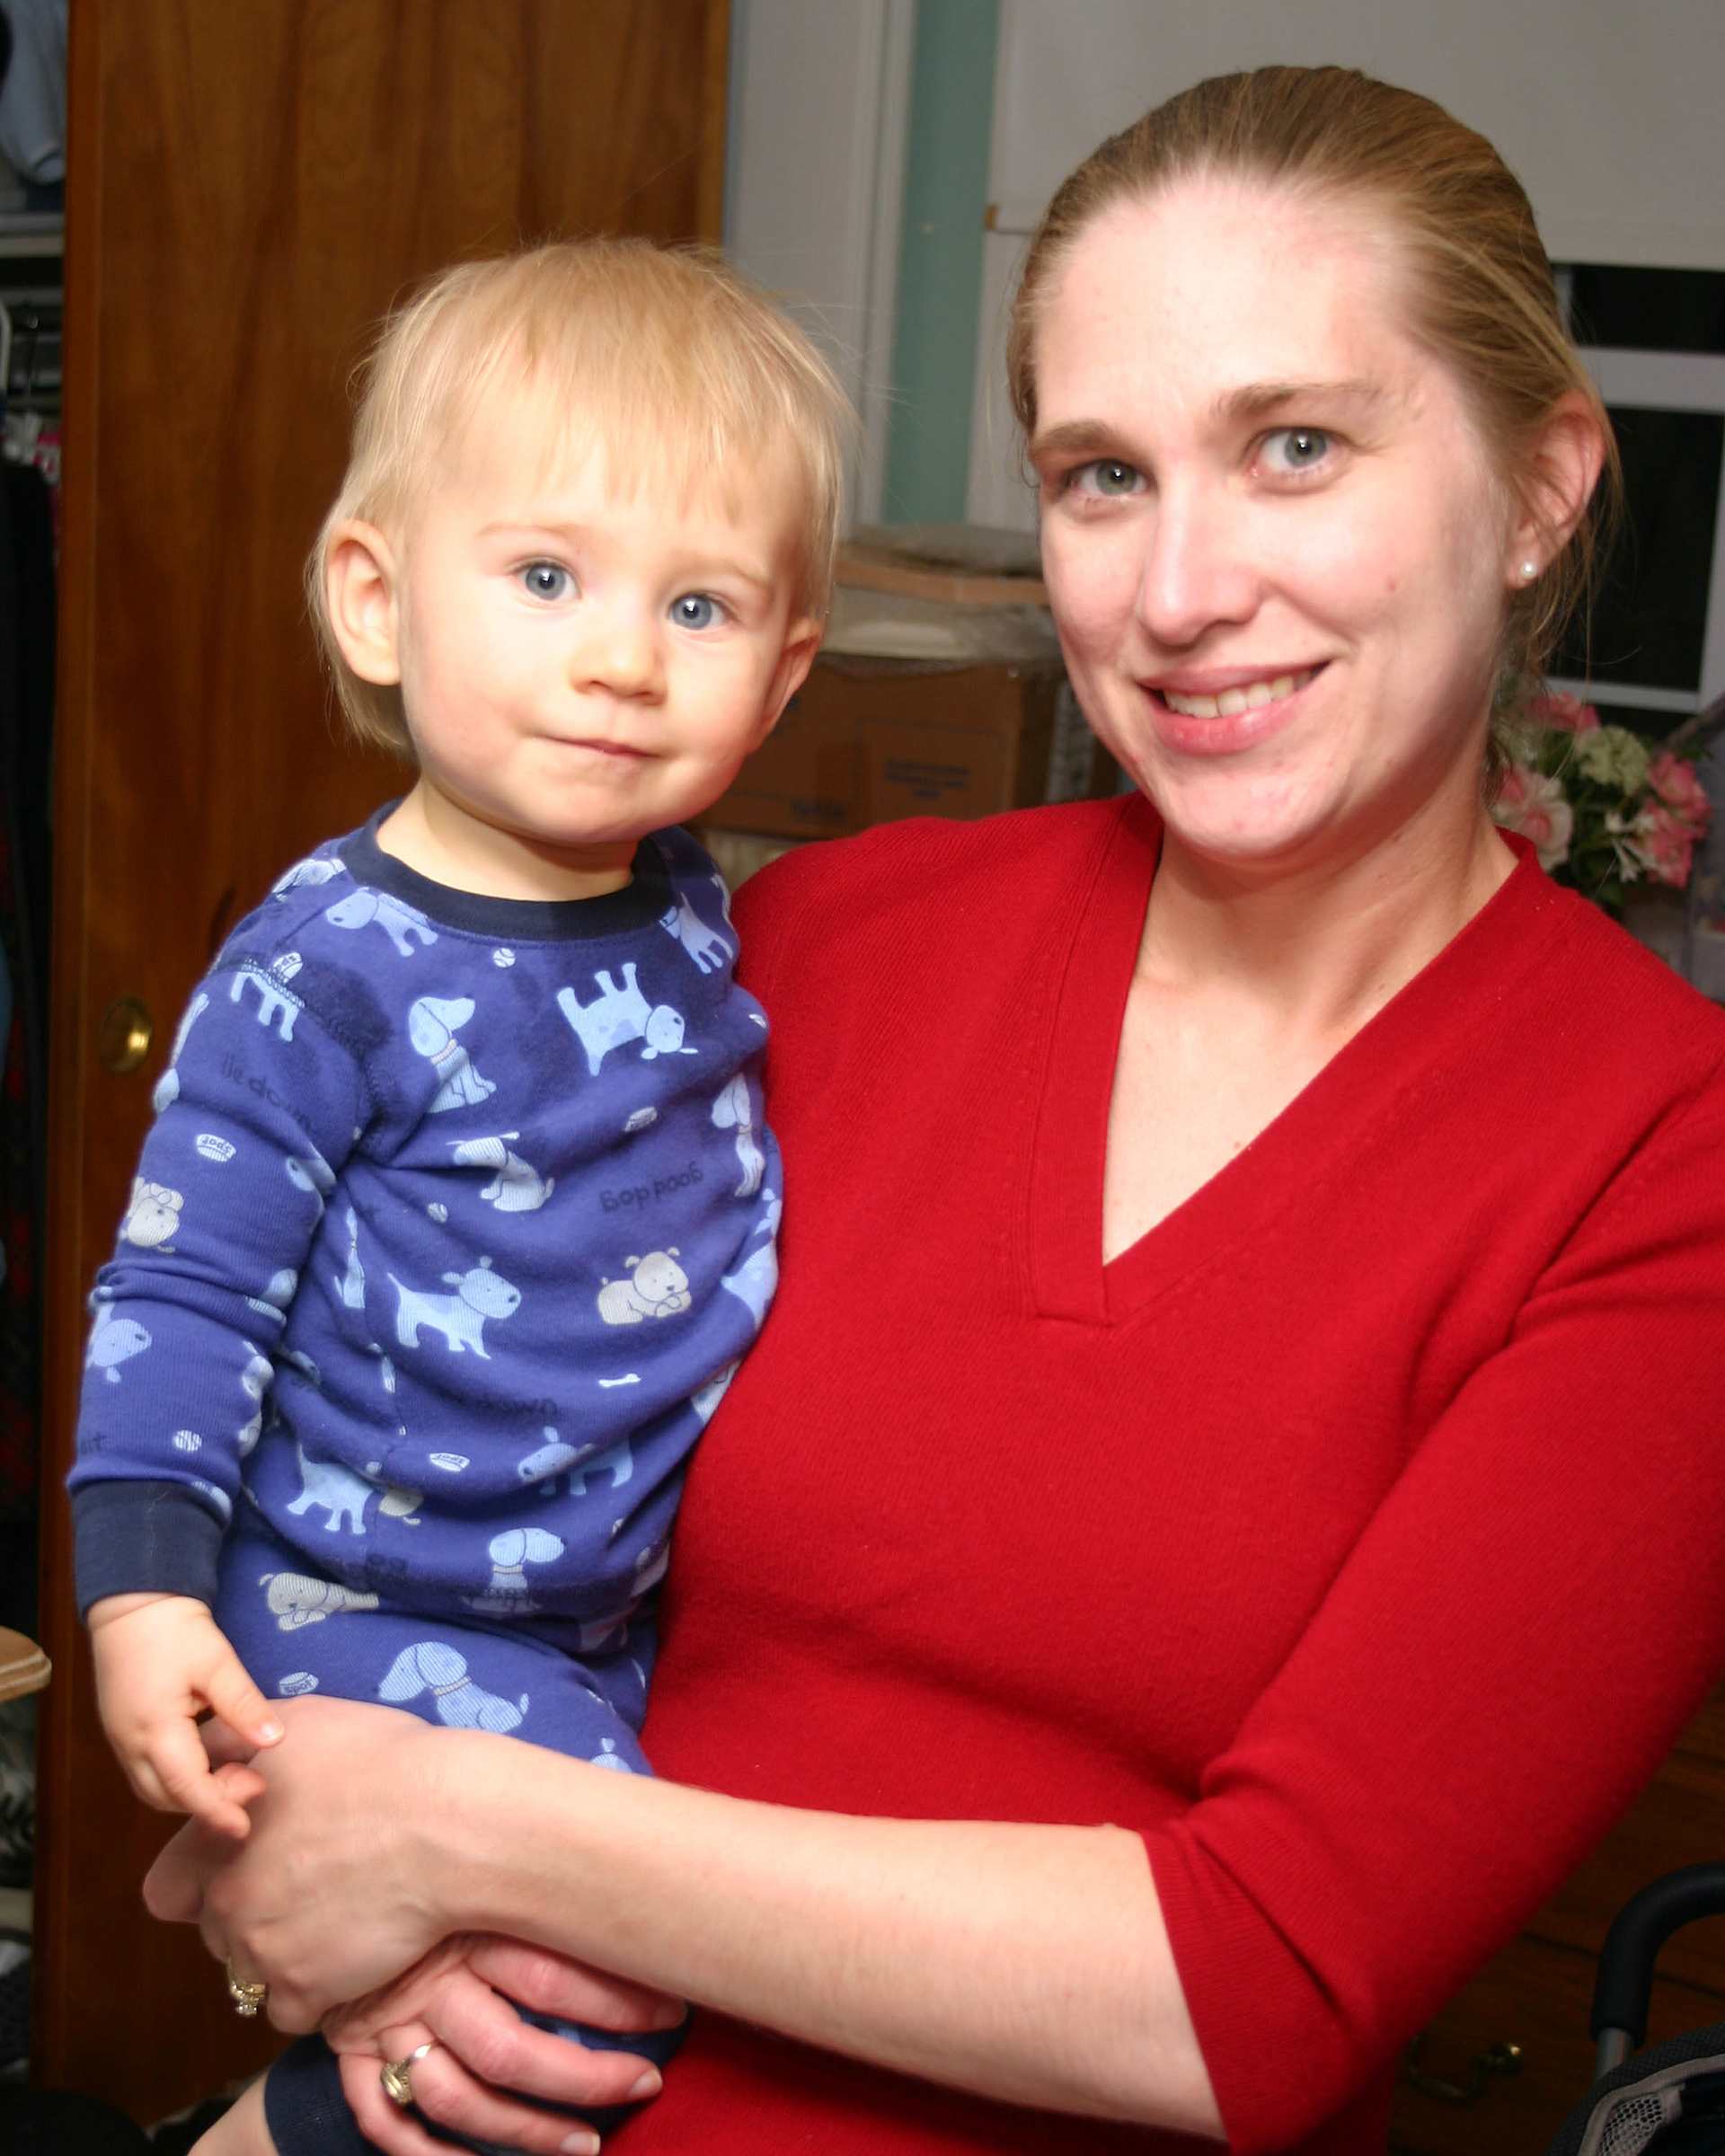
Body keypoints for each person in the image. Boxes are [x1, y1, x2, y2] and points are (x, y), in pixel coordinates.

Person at [146, 66, 1725, 2156]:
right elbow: (333, 1439)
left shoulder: (1657, 1162)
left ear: (1540, 487)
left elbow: (1260, 1989)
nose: (1180, 591)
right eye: (1102, 476)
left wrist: (454, 1833)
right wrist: (319, 1915)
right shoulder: (795, 953)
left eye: (1296, 448)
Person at [66, 239, 843, 2153]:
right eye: (549, 577)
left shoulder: (694, 909)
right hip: (353, 1600)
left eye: (698, 604)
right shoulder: (322, 964)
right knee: (605, 1982)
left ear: (784, 672)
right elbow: (183, 1292)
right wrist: (140, 1594)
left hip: (601, 1606)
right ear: (377, 598)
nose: (622, 658)